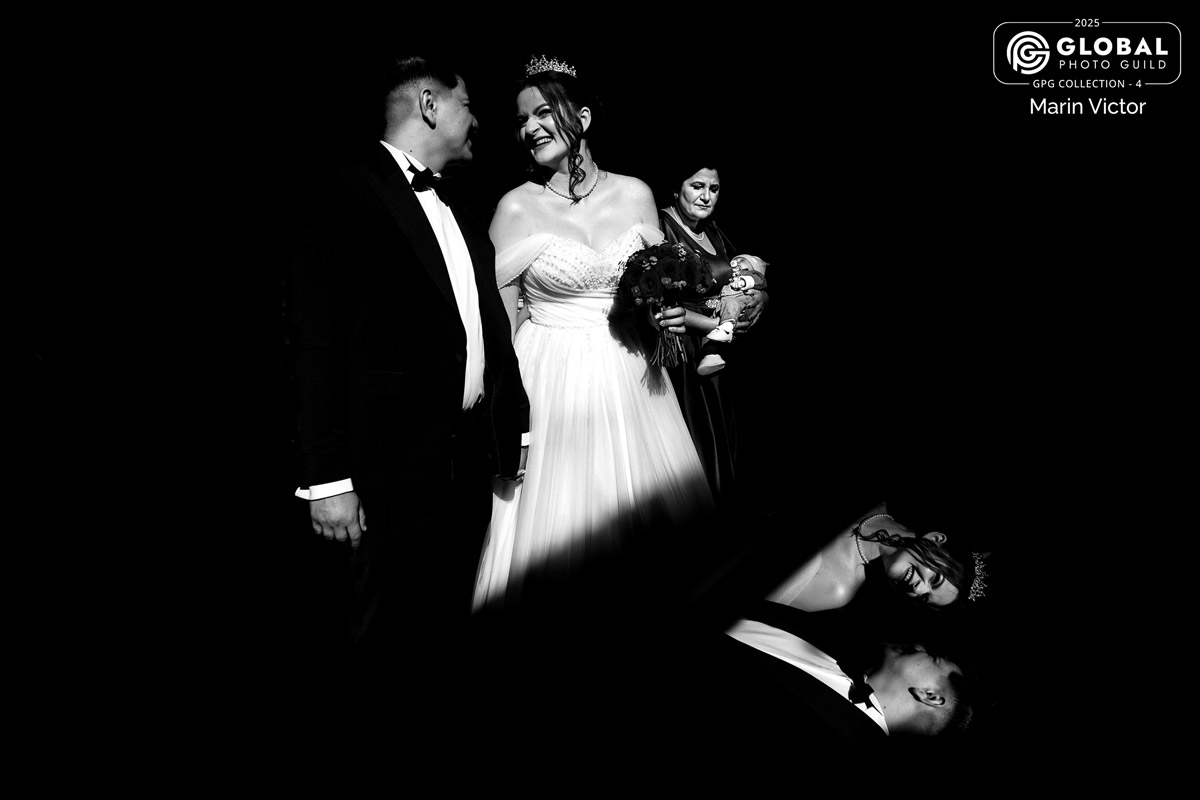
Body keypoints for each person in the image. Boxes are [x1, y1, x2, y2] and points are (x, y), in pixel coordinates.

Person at [288, 56, 529, 694]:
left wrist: (511, 430)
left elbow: (489, 333)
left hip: (466, 467)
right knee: (378, 645)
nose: (476, 120)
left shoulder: (463, 209)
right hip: (383, 479)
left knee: (445, 638)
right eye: (467, 104)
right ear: (429, 104)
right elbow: (315, 344)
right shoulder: (346, 191)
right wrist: (326, 478)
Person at [472, 56, 713, 616]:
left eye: (542, 113)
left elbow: (657, 291)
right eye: (521, 120)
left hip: (631, 375)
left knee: (647, 538)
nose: (529, 128)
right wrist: (507, 417)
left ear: (581, 118)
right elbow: (499, 328)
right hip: (550, 379)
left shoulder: (635, 194)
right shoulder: (515, 207)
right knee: (559, 526)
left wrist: (665, 319)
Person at [658, 158, 769, 501]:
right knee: (698, 444)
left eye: (714, 189)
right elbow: (658, 306)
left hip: (722, 354)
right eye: (697, 186)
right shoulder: (661, 228)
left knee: (727, 441)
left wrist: (761, 298)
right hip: (684, 356)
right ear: (676, 188)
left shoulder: (715, 232)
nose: (706, 196)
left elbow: (744, 278)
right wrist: (719, 325)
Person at [765, 504, 987, 612]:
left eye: (923, 598)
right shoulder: (872, 498)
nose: (918, 590)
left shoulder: (837, 590)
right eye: (935, 579)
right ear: (935, 539)